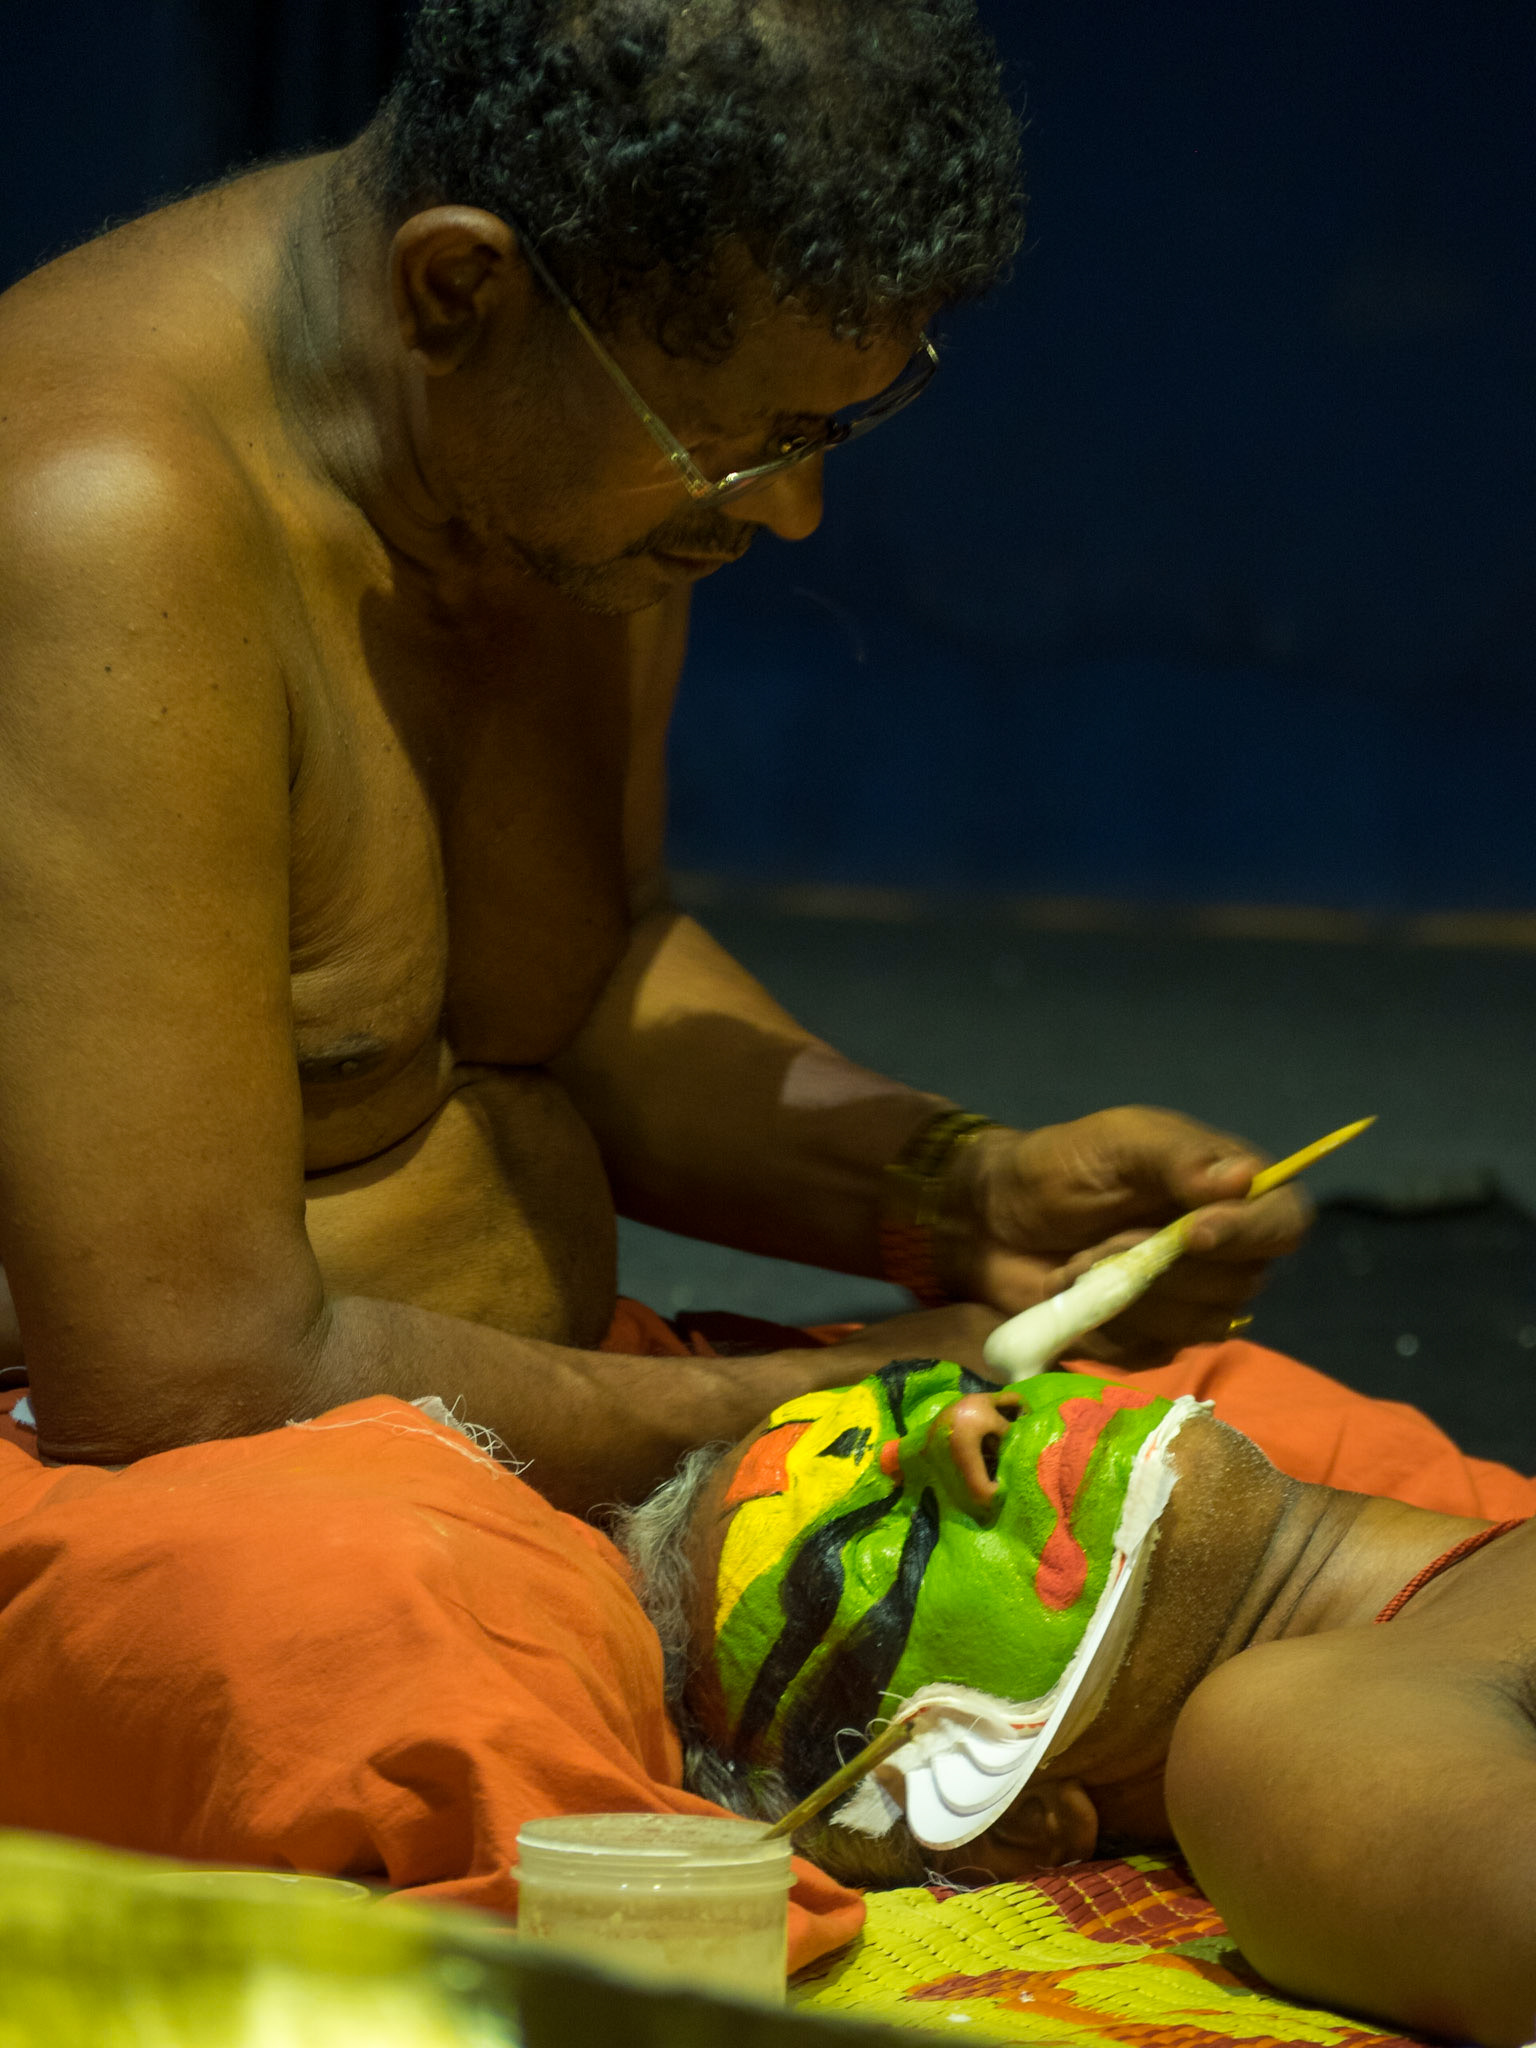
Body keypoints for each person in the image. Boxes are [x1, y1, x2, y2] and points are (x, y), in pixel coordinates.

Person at [0, 0, 1311, 1511]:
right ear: (455, 290)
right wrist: (827, 1400)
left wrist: (960, 1197)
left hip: (502, 1428)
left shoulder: (556, 480)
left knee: (1279, 1486)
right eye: (739, 444)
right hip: (161, 1493)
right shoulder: (95, 527)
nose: (789, 512)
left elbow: (579, 975)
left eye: (829, 429)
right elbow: (179, 1383)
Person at [653, 1358, 1536, 2045]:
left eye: (936, 1391)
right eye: (891, 1537)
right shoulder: (1278, 1738)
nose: (965, 1420)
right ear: (1013, 1818)